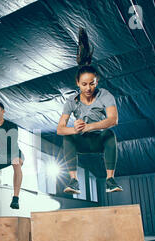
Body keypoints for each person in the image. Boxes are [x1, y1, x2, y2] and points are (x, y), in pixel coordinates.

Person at [57, 28, 122, 194]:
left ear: (96, 81)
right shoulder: (71, 101)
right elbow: (60, 128)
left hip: (99, 140)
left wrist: (89, 126)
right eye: (84, 84)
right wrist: (76, 129)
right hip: (82, 141)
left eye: (92, 84)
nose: (88, 88)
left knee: (110, 135)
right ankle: (73, 180)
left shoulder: (105, 95)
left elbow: (113, 120)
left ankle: (110, 180)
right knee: (67, 138)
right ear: (77, 83)